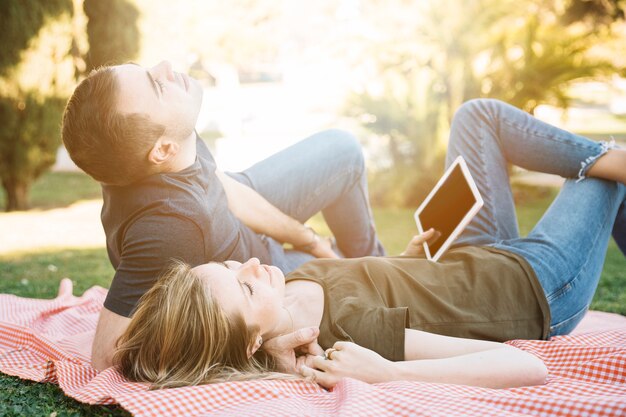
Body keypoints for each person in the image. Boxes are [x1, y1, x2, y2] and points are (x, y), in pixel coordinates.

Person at [112, 99, 626, 390]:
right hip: (535, 285)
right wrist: (386, 373)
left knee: (476, 117)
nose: (250, 263)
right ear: (250, 342)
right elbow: (528, 368)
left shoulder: (286, 299)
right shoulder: (348, 338)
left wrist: (406, 266)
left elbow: (369, 285)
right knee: (601, 175)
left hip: (469, 258)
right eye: (245, 291)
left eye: (230, 266)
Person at [60, 60, 385, 371]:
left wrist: (310, 240)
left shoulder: (171, 138)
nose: (165, 67)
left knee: (343, 151)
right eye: (157, 86)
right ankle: (385, 272)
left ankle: (376, 261)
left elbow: (219, 185)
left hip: (229, 214)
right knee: (363, 287)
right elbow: (105, 356)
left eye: (146, 70)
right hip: (255, 274)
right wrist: (257, 348)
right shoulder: (168, 228)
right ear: (161, 151)